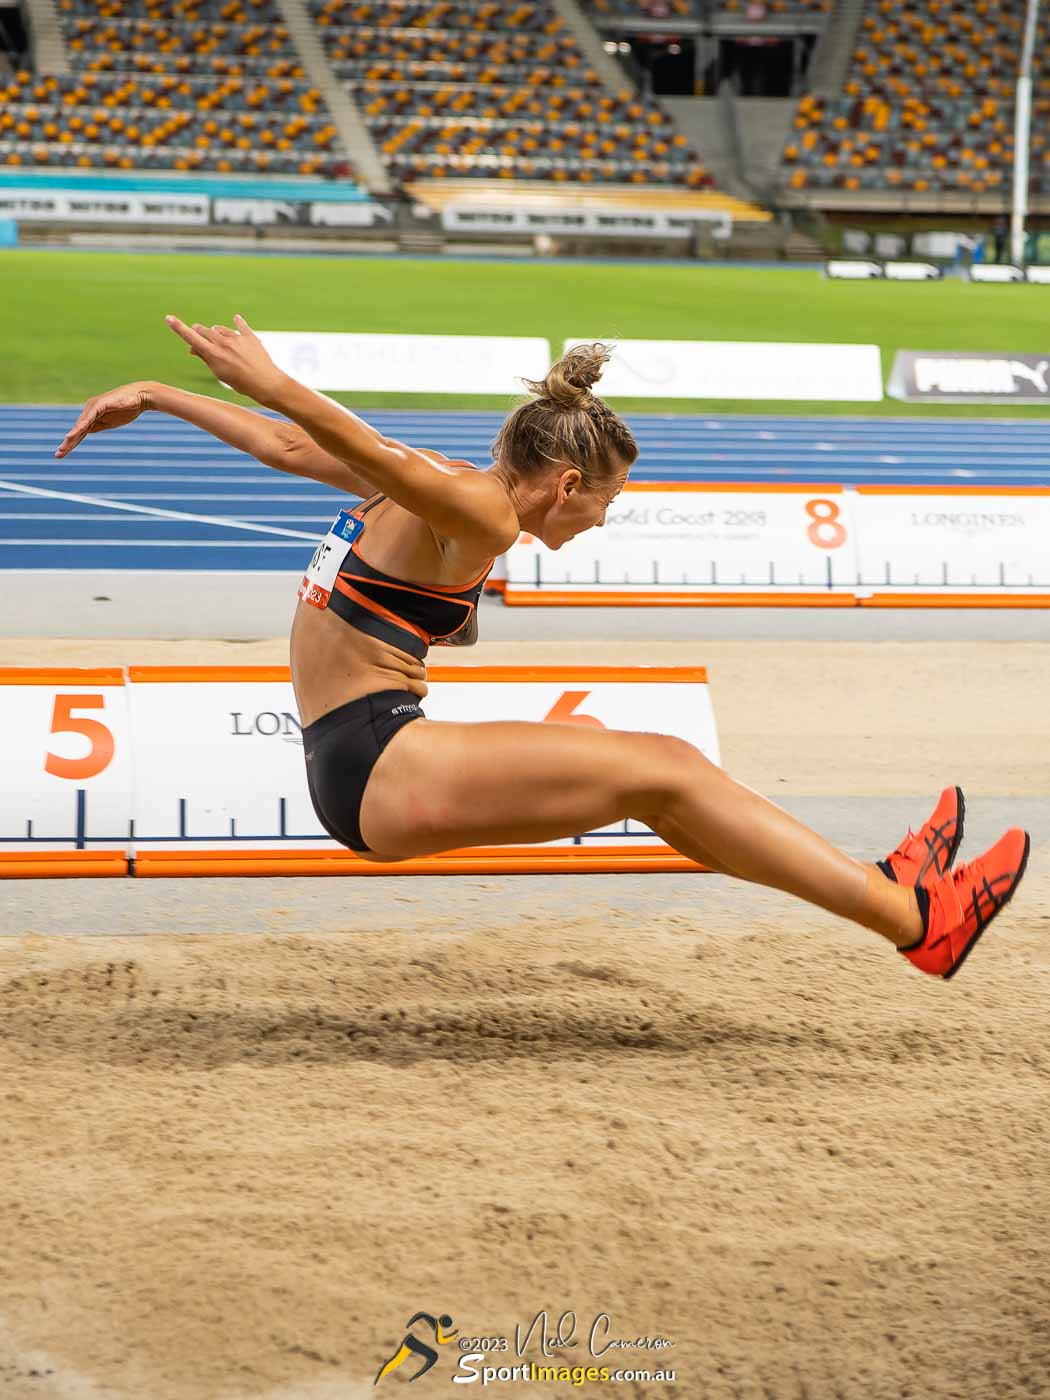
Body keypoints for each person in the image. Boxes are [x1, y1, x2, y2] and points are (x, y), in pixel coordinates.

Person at [55, 320, 1030, 981]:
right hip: (373, 759)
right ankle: (915, 919)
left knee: (662, 784)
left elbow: (285, 451)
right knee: (665, 765)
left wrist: (155, 392)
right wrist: (275, 381)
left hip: (368, 750)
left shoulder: (446, 491)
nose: (604, 523)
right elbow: (333, 439)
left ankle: (889, 892)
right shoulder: (476, 508)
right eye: (607, 502)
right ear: (564, 485)